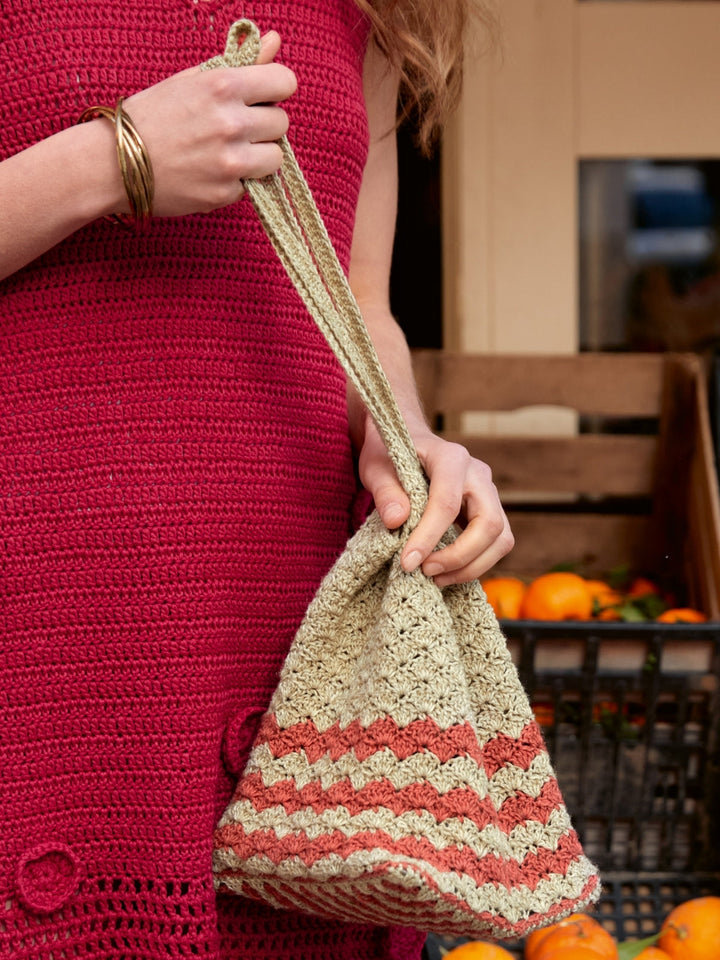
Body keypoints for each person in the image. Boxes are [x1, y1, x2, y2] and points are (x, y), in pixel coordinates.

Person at [0, 2, 510, 958]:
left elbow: (360, 299)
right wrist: (114, 160)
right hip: (40, 618)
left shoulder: (373, 9)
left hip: (280, 622)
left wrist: (404, 437)